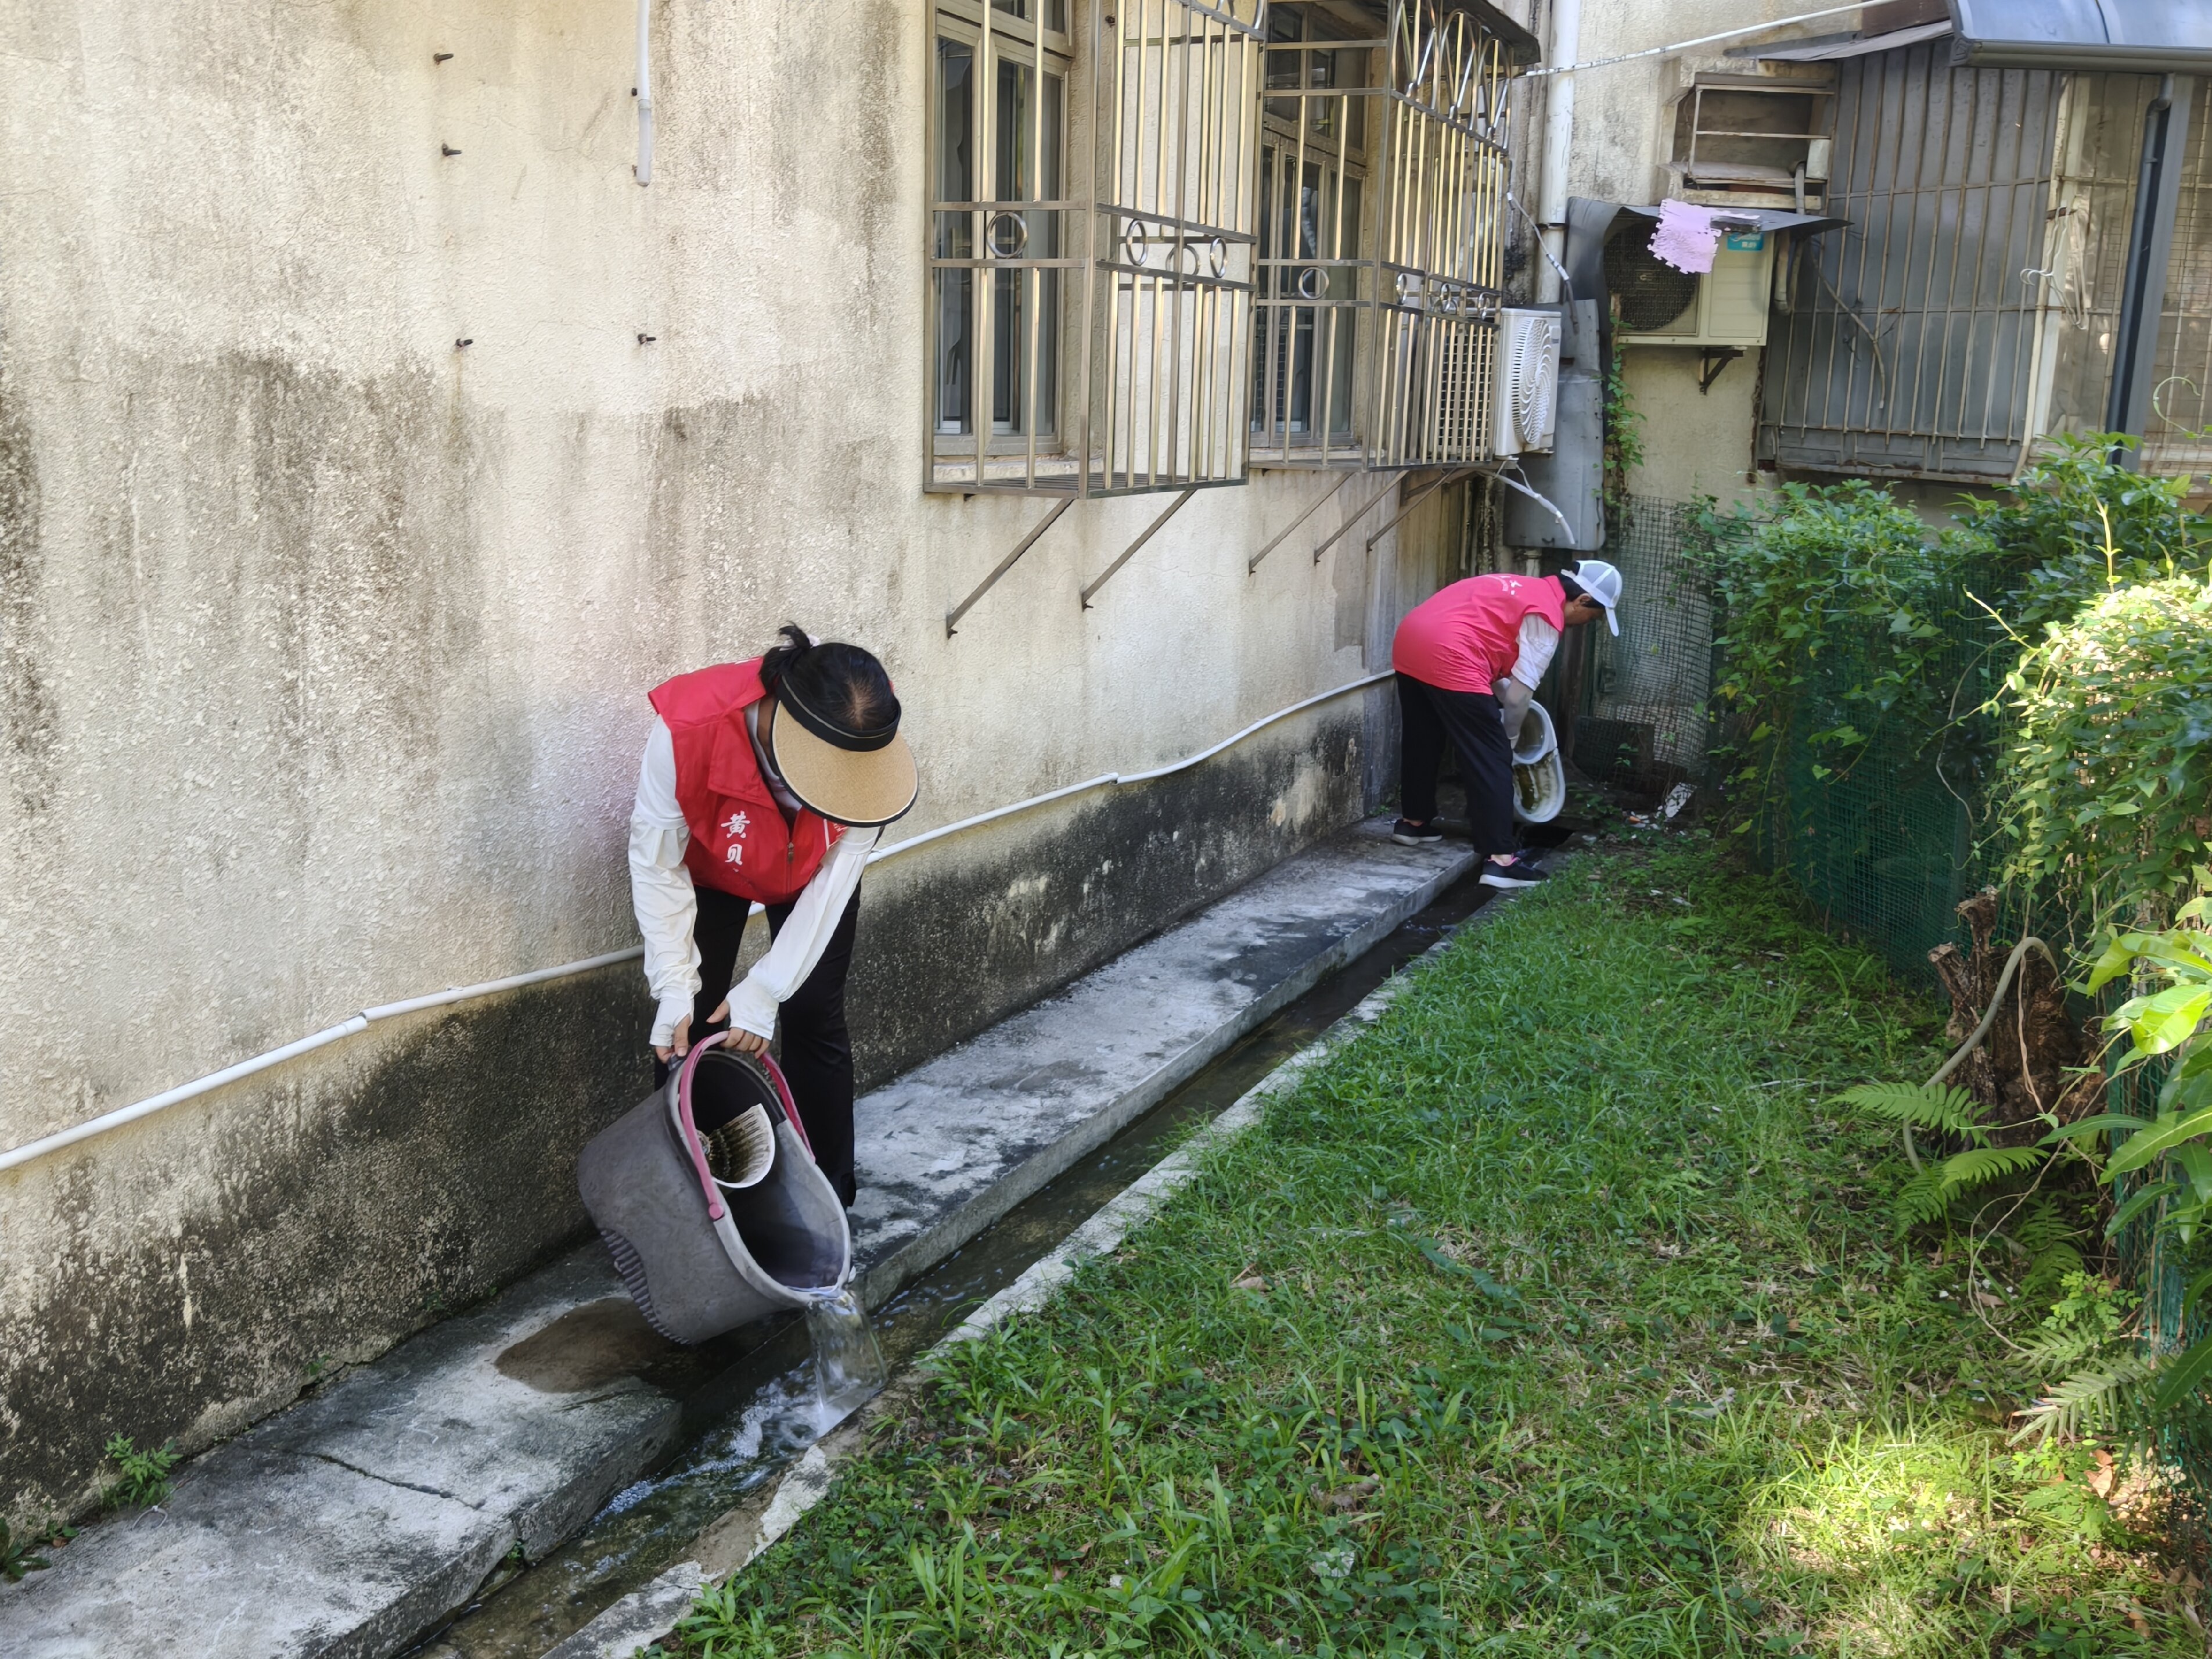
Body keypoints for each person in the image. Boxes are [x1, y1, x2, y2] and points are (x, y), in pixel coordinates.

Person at [628, 625, 918, 1206]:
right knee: (691, 1019)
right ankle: (699, 1200)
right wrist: (671, 981)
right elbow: (657, 863)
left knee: (812, 1009)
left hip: (813, 869)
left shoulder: (868, 741)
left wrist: (768, 986)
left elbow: (836, 880)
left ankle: (827, 1201)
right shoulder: (688, 727)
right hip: (715, 866)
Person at [1388, 560, 1623, 888]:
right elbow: (1516, 700)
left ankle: (1413, 823)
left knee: (1423, 736)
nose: (1588, 624)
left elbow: (1493, 664)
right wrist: (1508, 740)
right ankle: (1500, 861)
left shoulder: (1523, 587)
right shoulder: (1546, 618)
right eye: (1594, 617)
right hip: (1453, 652)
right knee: (1492, 755)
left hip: (1411, 640)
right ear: (1582, 600)